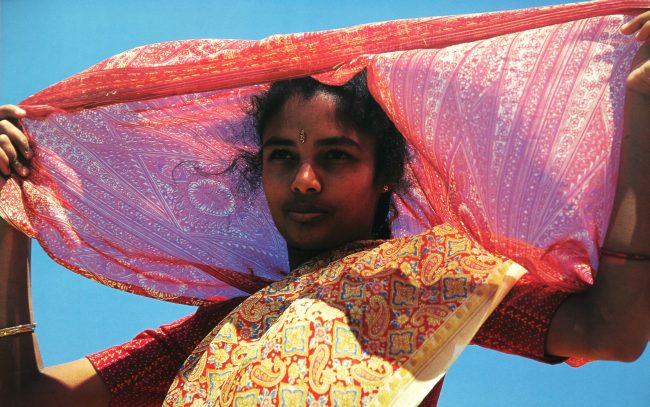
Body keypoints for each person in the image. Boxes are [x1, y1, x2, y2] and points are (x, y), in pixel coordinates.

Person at [1, 9, 649, 407]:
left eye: (336, 156)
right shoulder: (224, 331)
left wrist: (642, 103)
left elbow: (611, 330)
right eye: (282, 155)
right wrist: (10, 218)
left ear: (385, 175)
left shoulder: (425, 282)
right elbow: (24, 396)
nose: (305, 179)